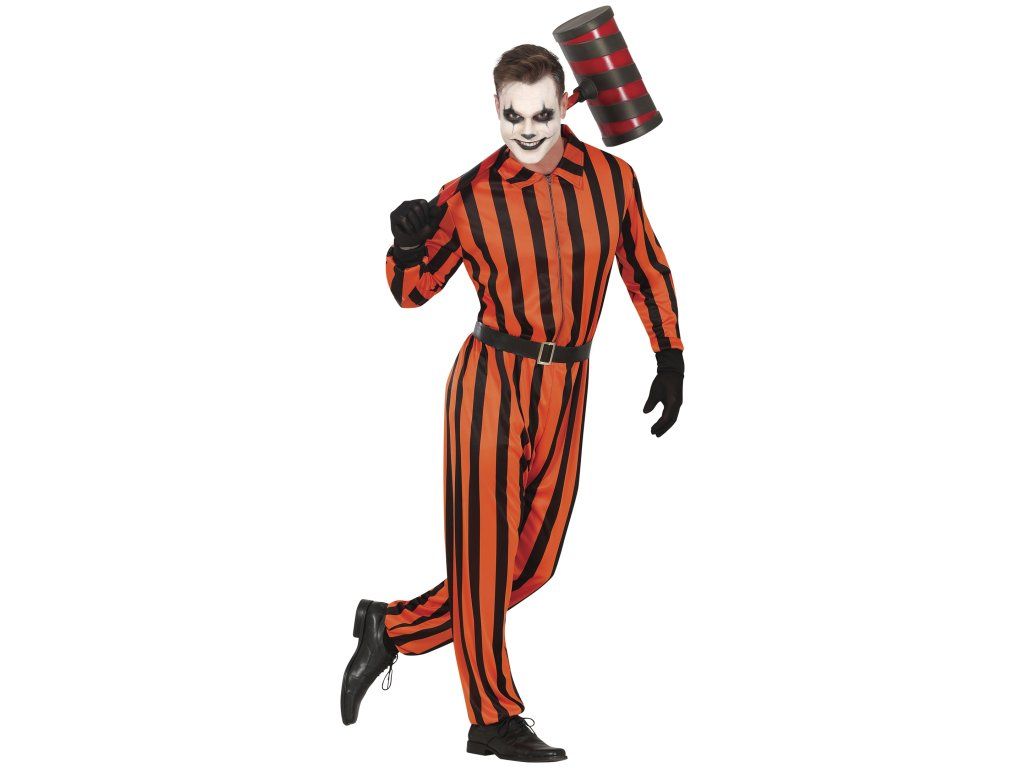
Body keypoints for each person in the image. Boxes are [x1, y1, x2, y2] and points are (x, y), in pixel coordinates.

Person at [341, 43, 684, 762]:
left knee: (532, 563)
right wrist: (406, 246)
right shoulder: (467, 195)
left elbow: (644, 264)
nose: (528, 130)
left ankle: (392, 628)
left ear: (567, 106)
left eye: (541, 114)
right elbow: (411, 293)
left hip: (570, 385)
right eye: (512, 116)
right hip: (490, 383)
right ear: (496, 111)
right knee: (484, 558)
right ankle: (492, 718)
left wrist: (670, 353)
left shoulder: (614, 181)